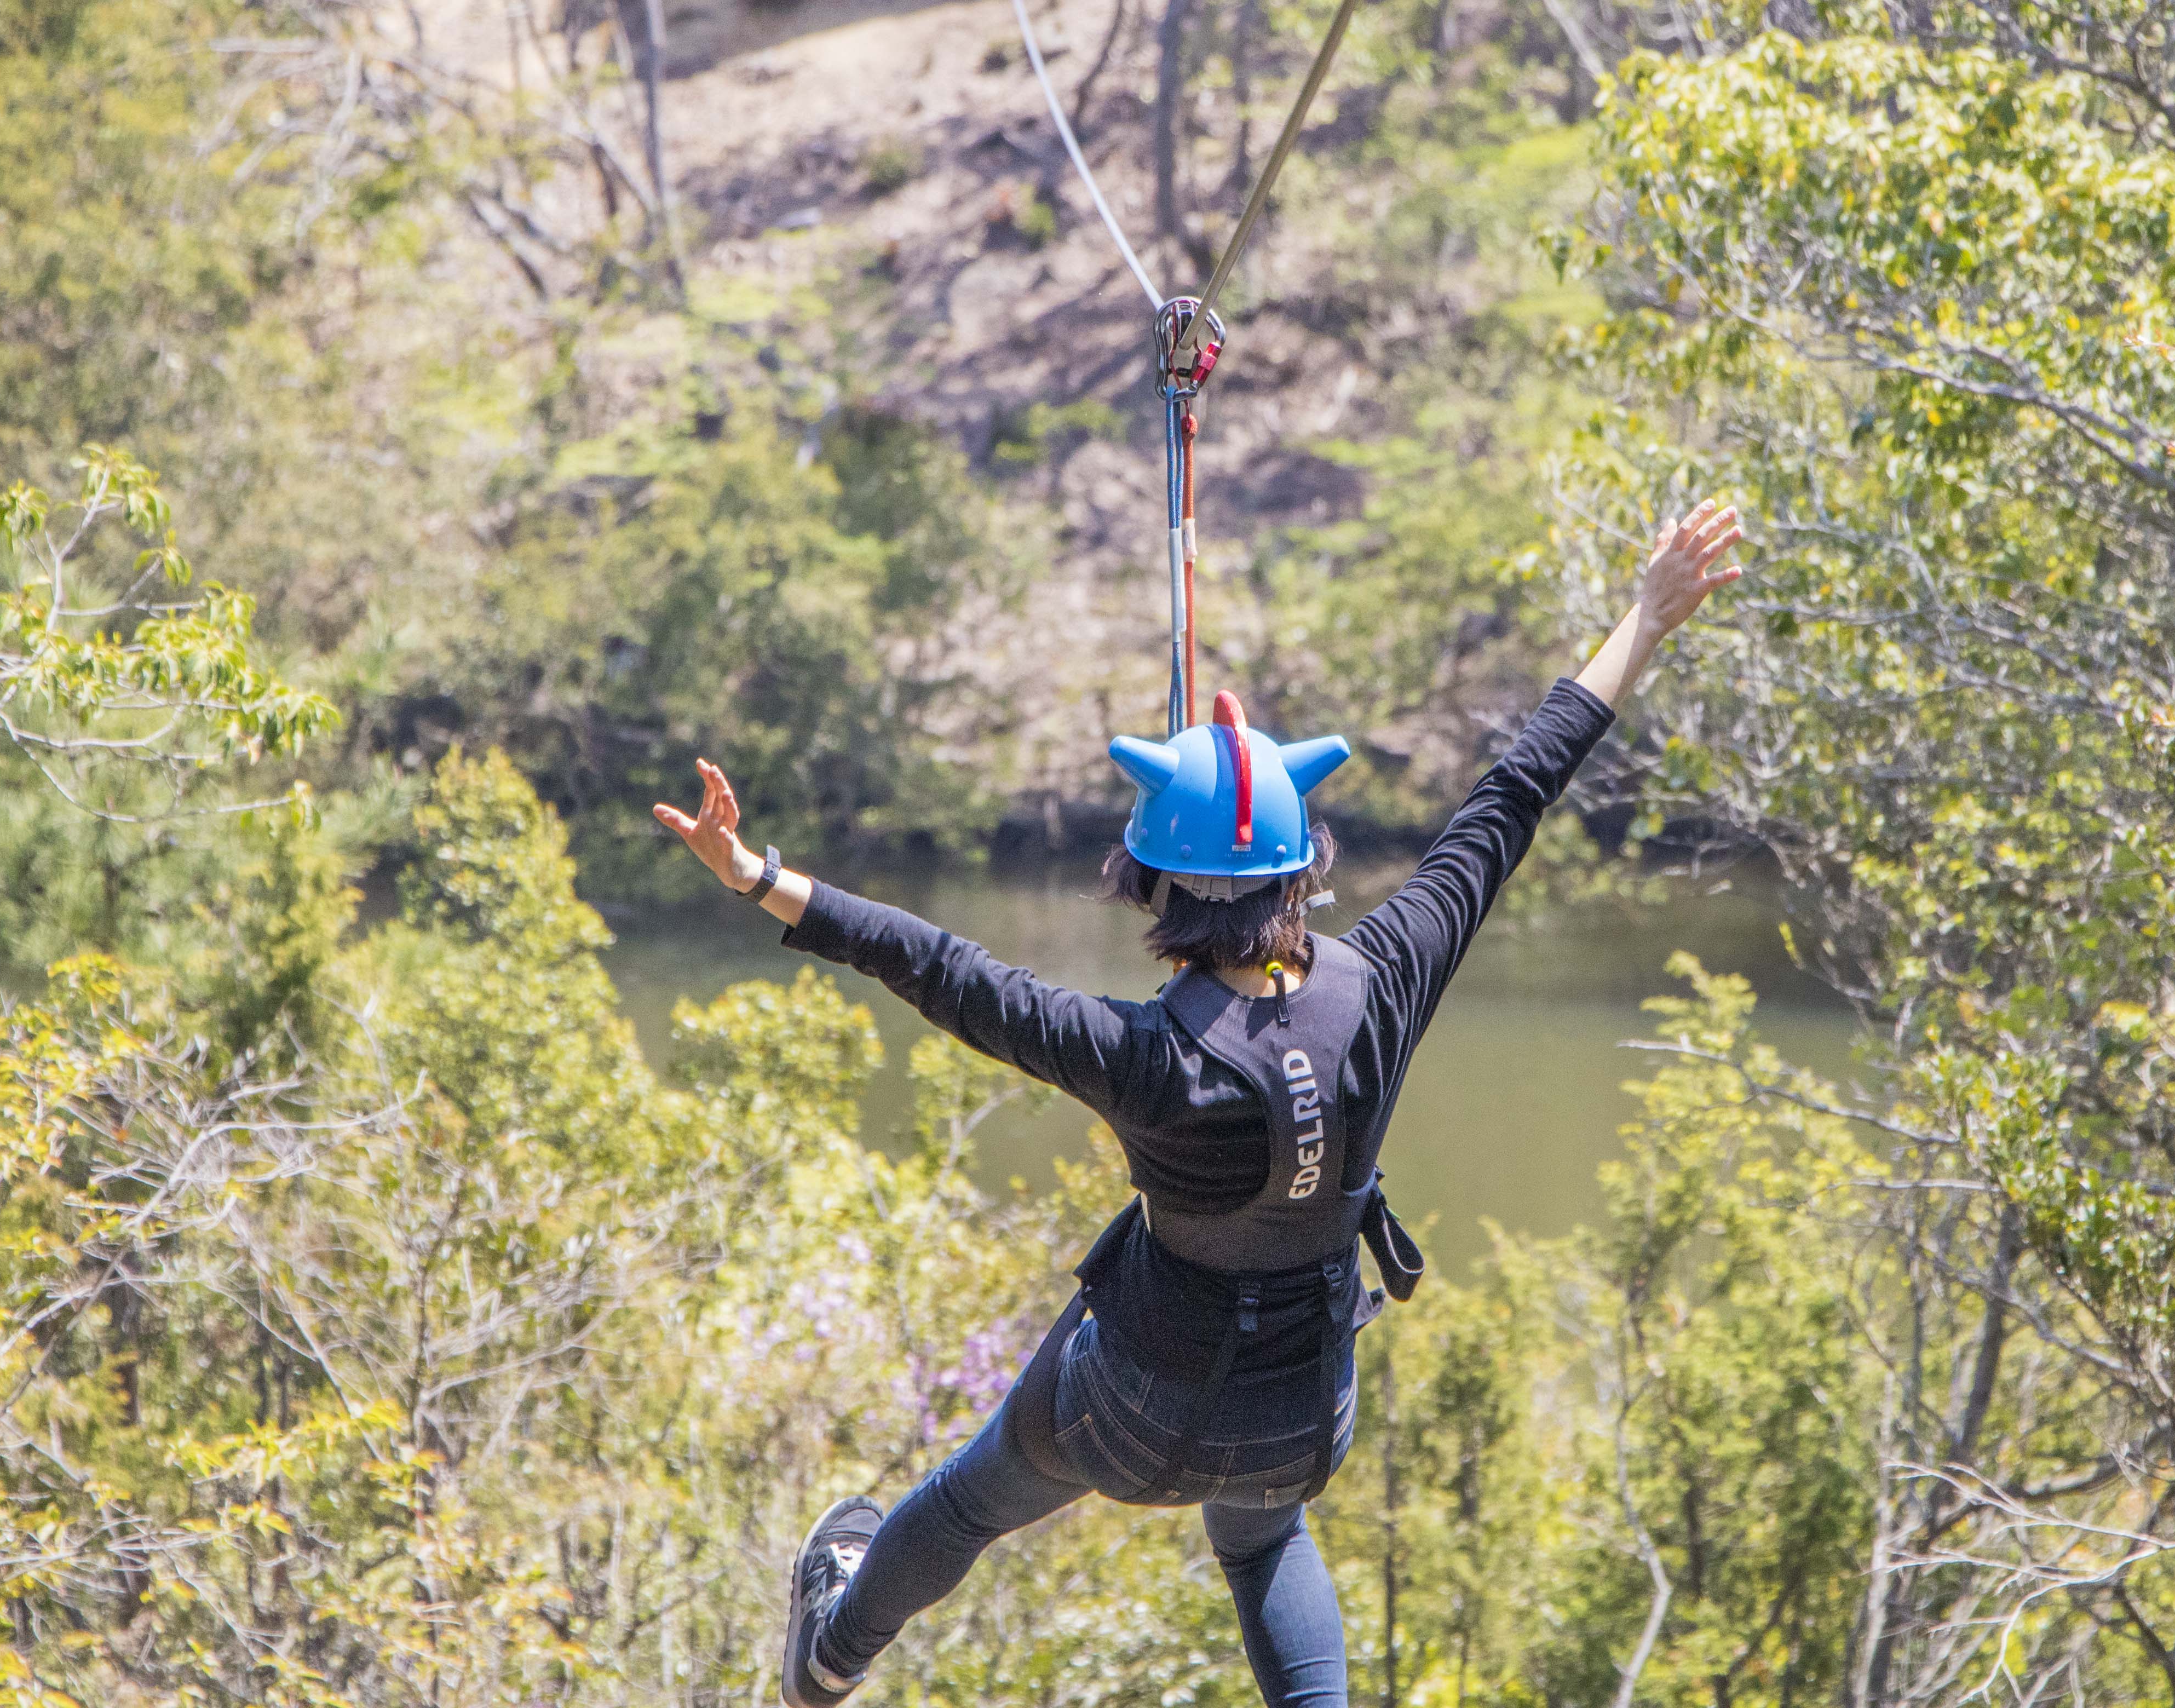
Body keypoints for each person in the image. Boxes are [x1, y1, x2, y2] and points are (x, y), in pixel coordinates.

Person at [653, 499, 1746, 1708]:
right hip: (1294, 1411)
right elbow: (1512, 796)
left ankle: (829, 1655)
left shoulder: (1137, 1055)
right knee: (1267, 1538)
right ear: (1302, 864)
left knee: (972, 1495)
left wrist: (757, 874)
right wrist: (1644, 616)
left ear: (1151, 881)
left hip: (1131, 1406)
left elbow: (941, 967)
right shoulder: (1384, 979)